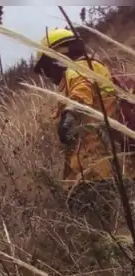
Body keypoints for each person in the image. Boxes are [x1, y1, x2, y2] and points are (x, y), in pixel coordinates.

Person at [33, 27, 127, 229]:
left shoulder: (78, 69)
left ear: (59, 55)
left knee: (96, 233)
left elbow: (80, 93)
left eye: (47, 67)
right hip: (105, 166)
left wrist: (69, 116)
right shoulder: (95, 68)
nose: (49, 75)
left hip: (95, 169)